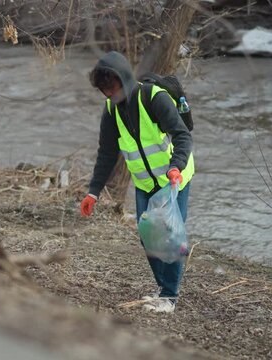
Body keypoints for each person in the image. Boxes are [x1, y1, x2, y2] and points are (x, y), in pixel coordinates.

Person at [80, 51, 195, 313]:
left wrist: (176, 166)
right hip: (145, 182)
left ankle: (169, 297)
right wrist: (93, 193)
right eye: (104, 90)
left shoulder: (154, 98)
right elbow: (107, 153)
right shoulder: (111, 111)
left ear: (125, 80)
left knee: (169, 233)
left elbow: (183, 136)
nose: (110, 94)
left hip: (174, 177)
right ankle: (163, 291)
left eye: (113, 87)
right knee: (148, 237)